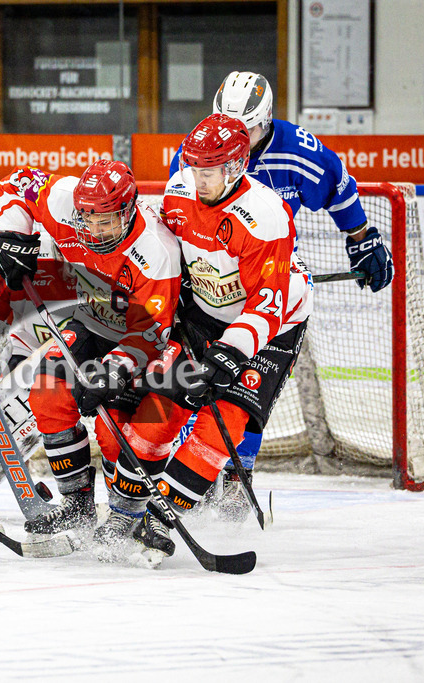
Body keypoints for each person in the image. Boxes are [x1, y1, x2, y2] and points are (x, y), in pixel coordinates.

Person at [168, 71, 393, 505]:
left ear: (267, 119)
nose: (237, 139)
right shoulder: (199, 151)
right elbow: (184, 219)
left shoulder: (299, 151)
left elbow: (338, 186)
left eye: (248, 129)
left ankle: (238, 475)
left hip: (270, 277)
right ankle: (195, 468)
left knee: (251, 386)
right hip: (213, 283)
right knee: (199, 382)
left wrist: (361, 236)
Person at [104, 113, 312, 520]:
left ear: (236, 166)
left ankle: (163, 521)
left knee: (223, 423)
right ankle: (123, 515)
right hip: (204, 314)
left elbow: (268, 301)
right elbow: (167, 253)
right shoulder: (180, 191)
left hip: (271, 327)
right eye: (194, 167)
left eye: (209, 171)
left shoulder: (266, 216)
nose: (199, 180)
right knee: (158, 409)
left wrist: (230, 352)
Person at [0, 160, 182, 559]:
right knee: (46, 390)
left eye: (105, 221)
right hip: (91, 320)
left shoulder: (157, 250)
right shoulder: (63, 200)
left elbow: (152, 334)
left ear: (128, 211)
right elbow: (17, 182)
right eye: (86, 219)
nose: (93, 230)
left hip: (141, 340)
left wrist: (110, 372)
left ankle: (126, 514)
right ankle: (77, 506)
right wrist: (14, 236)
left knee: (116, 433)